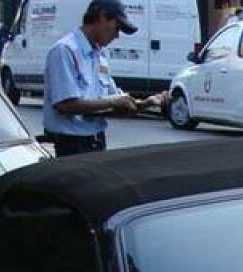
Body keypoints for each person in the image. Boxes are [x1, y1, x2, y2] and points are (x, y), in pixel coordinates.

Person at [43, 0, 160, 156]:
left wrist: (143, 104)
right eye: (116, 28)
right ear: (102, 17)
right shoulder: (65, 50)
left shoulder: (99, 55)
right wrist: (114, 101)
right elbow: (65, 105)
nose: (117, 36)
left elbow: (108, 102)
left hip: (95, 141)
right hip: (70, 144)